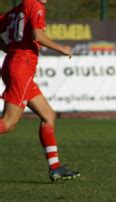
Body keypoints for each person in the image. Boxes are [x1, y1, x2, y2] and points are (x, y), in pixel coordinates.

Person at [0, 0, 80, 182]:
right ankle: (55, 168)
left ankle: (55, 168)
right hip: (22, 68)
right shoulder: (35, 5)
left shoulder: (17, 9)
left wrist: (11, 50)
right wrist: (62, 49)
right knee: (9, 123)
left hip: (15, 65)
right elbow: (38, 35)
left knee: (48, 116)